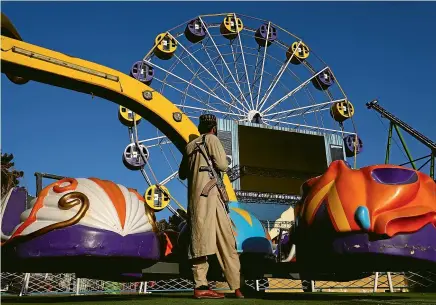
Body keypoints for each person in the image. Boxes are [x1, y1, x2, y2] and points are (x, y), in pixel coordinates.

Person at [178, 114, 244, 299]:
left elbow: (182, 174)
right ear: (213, 128)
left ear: (200, 127)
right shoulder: (212, 139)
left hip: (195, 198)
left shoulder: (189, 147)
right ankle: (236, 286)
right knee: (226, 239)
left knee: (199, 239)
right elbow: (222, 165)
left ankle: (201, 284)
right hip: (212, 195)